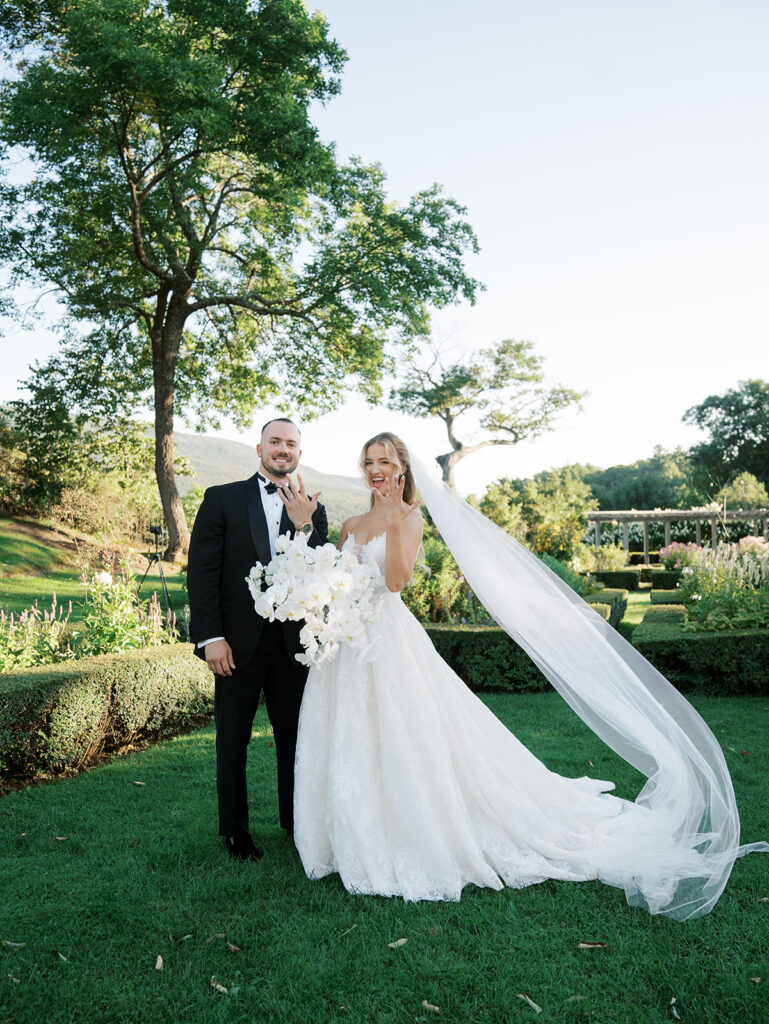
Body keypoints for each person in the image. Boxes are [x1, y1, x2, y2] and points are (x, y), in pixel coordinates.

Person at [293, 432, 767, 918]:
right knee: (355, 739)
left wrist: (394, 524)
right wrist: (308, 530)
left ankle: (412, 830)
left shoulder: (410, 518)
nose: (375, 469)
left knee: (404, 736)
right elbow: (334, 578)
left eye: (385, 461)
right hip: (348, 650)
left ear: (401, 469)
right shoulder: (351, 522)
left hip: (390, 647)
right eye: (369, 461)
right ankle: (355, 830)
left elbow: (394, 583)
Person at [187, 417, 328, 861]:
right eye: (275, 441)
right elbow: (202, 573)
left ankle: (295, 822)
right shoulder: (222, 499)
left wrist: (304, 525)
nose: (282, 449)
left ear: (299, 455)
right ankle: (235, 832)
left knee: (296, 737)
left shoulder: (313, 506)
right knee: (233, 739)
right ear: (259, 448)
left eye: (290, 444)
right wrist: (211, 637)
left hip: (293, 645)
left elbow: (323, 571)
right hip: (236, 644)